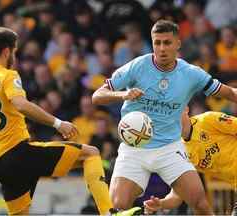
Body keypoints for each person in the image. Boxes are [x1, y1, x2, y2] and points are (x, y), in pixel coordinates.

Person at [0, 27, 141, 215]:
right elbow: (21, 105)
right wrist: (58, 123)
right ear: (7, 51)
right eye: (14, 51)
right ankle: (109, 213)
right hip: (19, 153)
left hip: (0, 166)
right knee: (90, 154)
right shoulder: (7, 75)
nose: (14, 57)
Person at [92, 19, 237, 214]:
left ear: (178, 44)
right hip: (134, 148)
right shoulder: (137, 66)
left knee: (199, 202)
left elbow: (230, 93)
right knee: (116, 208)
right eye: (156, 43)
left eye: (167, 43)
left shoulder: (192, 74)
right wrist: (122, 95)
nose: (161, 48)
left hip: (169, 147)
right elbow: (97, 96)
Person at [144, 109, 237, 214]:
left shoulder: (208, 120)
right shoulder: (179, 152)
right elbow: (177, 196)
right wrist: (161, 204)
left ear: (185, 108)